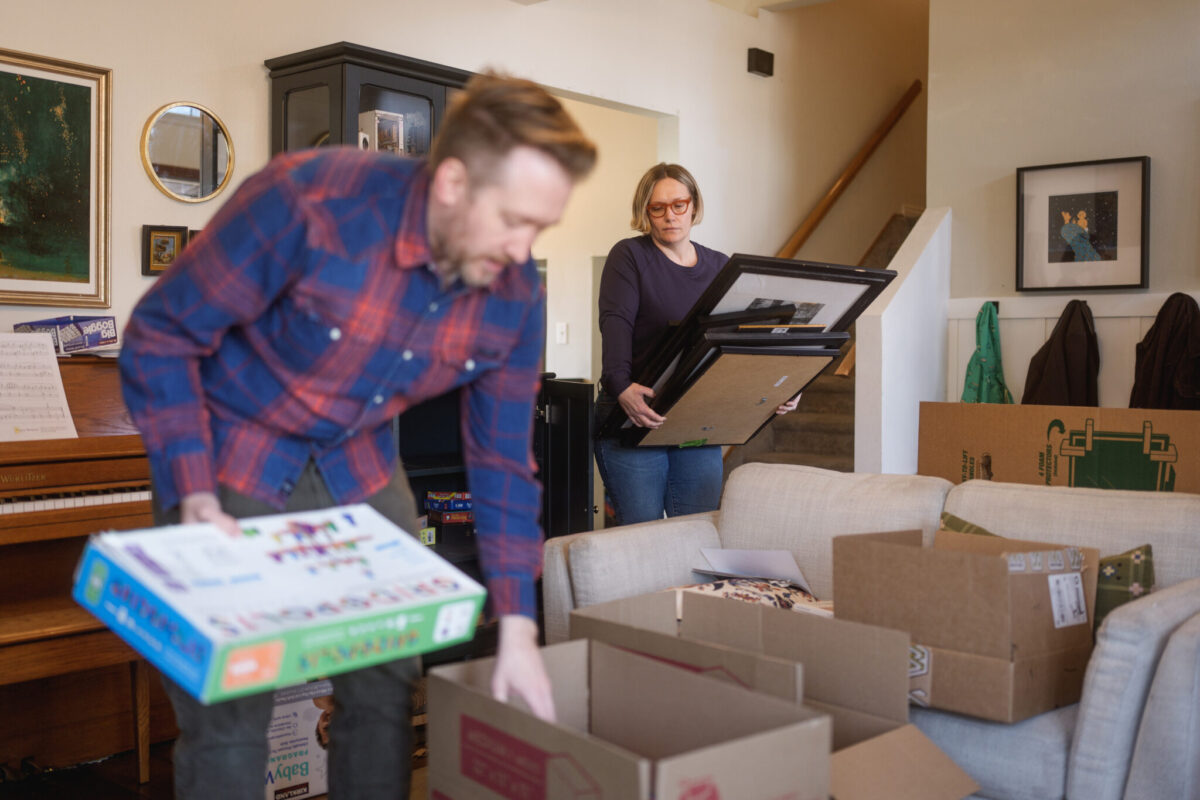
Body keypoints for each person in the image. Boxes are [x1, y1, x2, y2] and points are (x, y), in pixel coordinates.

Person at [119, 72, 596, 800]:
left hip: (362, 466)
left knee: (384, 687)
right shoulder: (309, 201)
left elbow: (501, 461)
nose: (521, 250)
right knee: (233, 708)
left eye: (541, 228)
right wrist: (191, 493)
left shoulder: (513, 291)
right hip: (232, 453)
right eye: (512, 219)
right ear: (452, 183)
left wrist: (521, 628)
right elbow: (161, 335)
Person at [595, 163, 797, 526]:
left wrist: (782, 386)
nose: (669, 216)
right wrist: (620, 385)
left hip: (695, 421)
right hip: (635, 416)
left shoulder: (720, 266)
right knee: (642, 535)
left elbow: (739, 343)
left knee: (698, 531)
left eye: (678, 204)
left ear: (694, 206)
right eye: (657, 208)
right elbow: (615, 323)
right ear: (646, 212)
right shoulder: (629, 256)